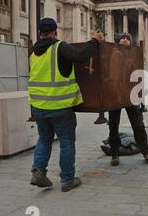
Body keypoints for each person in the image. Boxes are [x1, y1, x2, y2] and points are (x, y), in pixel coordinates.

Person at [28, 17, 103, 192]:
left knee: (44, 139)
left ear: (40, 33)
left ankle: (38, 171)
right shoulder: (59, 47)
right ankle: (68, 180)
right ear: (55, 31)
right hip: (60, 106)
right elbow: (81, 57)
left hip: (39, 107)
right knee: (66, 142)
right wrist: (94, 41)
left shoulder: (33, 53)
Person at [107, 32, 148, 166]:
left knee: (138, 125)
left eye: (128, 38)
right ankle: (114, 153)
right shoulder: (113, 54)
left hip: (131, 94)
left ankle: (146, 151)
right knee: (113, 126)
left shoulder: (134, 55)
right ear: (118, 41)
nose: (126, 40)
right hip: (116, 94)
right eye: (123, 38)